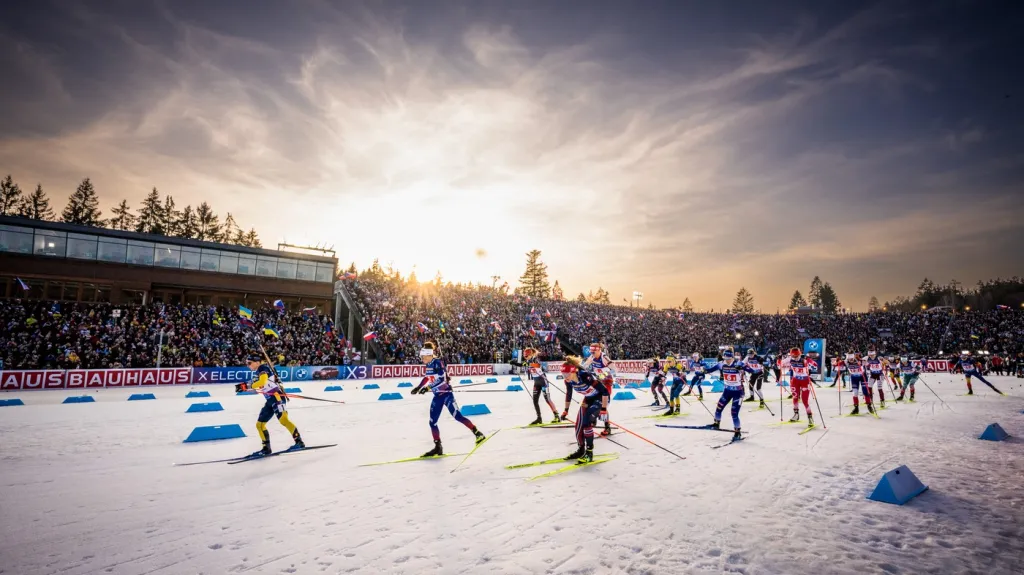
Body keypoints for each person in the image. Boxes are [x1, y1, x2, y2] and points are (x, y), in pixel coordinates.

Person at [411, 341, 486, 456]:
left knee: (458, 416)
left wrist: (427, 388)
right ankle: (438, 447)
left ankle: (478, 433)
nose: (422, 359)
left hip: (446, 394)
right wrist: (418, 387)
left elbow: (441, 378)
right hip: (437, 396)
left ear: (429, 355)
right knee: (432, 422)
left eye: (423, 357)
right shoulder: (428, 365)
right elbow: (427, 377)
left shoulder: (437, 362)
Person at [247, 352, 304, 457]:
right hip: (270, 400)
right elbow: (259, 382)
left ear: (257, 362)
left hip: (277, 398)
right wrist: (245, 386)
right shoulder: (260, 370)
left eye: (249, 363)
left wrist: (251, 385)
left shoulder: (262, 368)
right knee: (260, 425)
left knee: (284, 420)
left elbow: (262, 381)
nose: (248, 365)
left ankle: (299, 442)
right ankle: (266, 448)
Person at [561, 355, 610, 463]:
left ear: (574, 371)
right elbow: (569, 394)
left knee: (587, 421)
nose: (565, 376)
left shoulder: (584, 376)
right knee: (579, 424)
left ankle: (589, 453)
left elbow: (604, 391)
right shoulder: (568, 381)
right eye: (563, 374)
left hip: (600, 398)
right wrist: (566, 410)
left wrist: (603, 409)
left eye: (567, 374)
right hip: (588, 399)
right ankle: (581, 449)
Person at [702, 350, 746, 440]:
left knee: (734, 413)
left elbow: (749, 369)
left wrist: (742, 368)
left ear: (732, 358)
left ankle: (737, 432)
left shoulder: (738, 363)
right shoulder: (721, 364)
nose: (727, 360)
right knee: (719, 407)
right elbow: (710, 370)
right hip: (727, 391)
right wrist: (704, 371)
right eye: (725, 358)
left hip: (738, 392)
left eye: (729, 359)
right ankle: (716, 423)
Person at [581, 343, 615, 436]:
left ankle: (607, 427)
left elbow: (613, 368)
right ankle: (593, 420)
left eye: (594, 352)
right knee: (593, 400)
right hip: (598, 381)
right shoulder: (592, 356)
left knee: (603, 404)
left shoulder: (604, 357)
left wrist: (603, 375)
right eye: (591, 352)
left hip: (607, 382)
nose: (592, 353)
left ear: (599, 350)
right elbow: (584, 366)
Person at [524, 348, 560, 425]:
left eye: (526, 356)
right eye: (525, 356)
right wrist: (514, 363)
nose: (525, 358)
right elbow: (523, 364)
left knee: (547, 399)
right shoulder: (528, 361)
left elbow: (538, 365)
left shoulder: (535, 359)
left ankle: (557, 416)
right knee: (535, 401)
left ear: (530, 354)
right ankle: (539, 418)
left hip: (543, 381)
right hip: (536, 383)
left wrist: (529, 364)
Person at [782, 348, 815, 428]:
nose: (795, 358)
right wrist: (779, 359)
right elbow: (781, 363)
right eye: (793, 356)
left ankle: (810, 417)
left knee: (804, 400)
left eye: (796, 356)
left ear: (799, 354)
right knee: (795, 397)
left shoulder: (804, 360)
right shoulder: (790, 359)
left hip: (805, 381)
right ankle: (796, 415)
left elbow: (814, 365)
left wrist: (810, 362)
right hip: (795, 380)